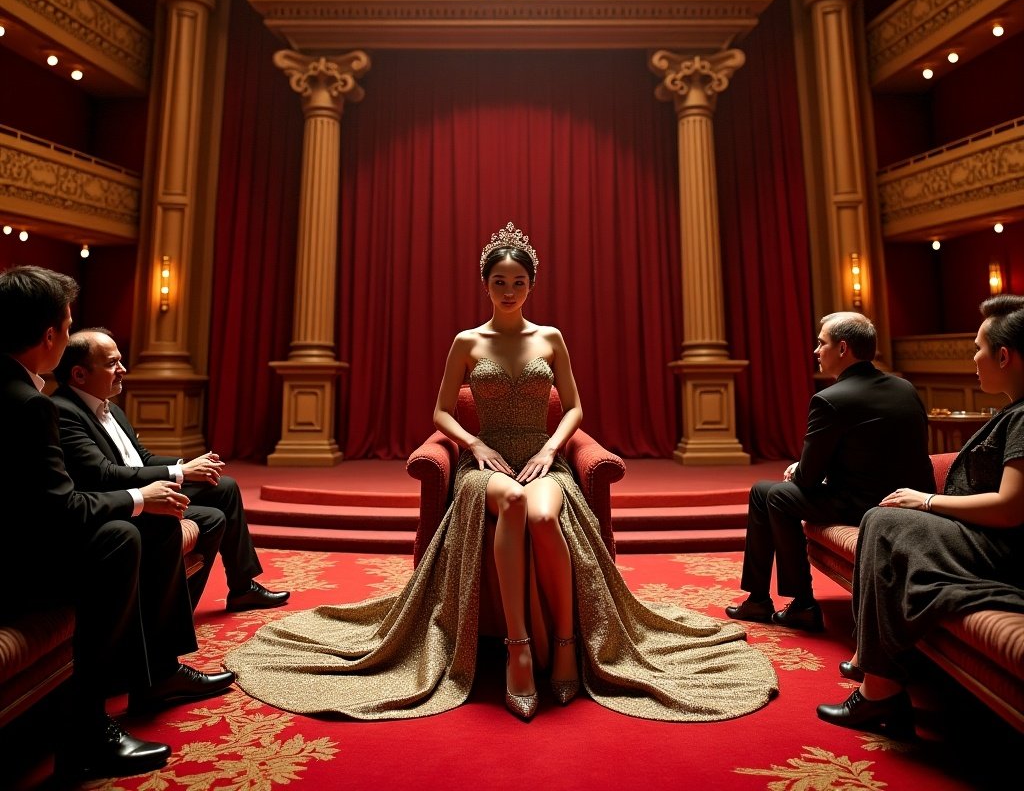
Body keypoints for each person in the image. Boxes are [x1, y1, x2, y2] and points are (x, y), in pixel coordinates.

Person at [226, 222, 778, 722]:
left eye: (517, 281)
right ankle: (518, 646)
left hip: (541, 459)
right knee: (512, 503)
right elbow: (441, 410)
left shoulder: (551, 337)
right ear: (485, 284)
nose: (508, 290)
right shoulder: (468, 342)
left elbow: (577, 408)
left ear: (530, 284)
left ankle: (564, 643)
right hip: (483, 466)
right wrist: (473, 442)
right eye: (499, 281)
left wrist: (550, 449)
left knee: (541, 514)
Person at [0, 266, 235, 781]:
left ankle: (156, 673)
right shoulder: (31, 406)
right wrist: (138, 497)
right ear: (51, 336)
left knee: (143, 523)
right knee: (119, 537)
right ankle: (88, 730)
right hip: (13, 571)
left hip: (17, 541)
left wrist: (144, 497)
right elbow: (60, 508)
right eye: (67, 325)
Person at [817, 294, 1024, 736]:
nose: (973, 358)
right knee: (881, 518)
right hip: (982, 534)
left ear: (1004, 356)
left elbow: (1011, 508)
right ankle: (878, 679)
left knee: (885, 520)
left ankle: (880, 690)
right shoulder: (1014, 410)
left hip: (1004, 545)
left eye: (978, 349)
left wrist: (927, 501)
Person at [51, 327, 289, 613]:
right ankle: (173, 615)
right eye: (112, 363)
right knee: (212, 519)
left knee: (223, 486)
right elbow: (105, 475)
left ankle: (241, 588)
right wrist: (182, 472)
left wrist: (185, 465)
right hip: (117, 502)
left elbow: (141, 458)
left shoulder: (112, 408)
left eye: (120, 360)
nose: (123, 369)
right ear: (79, 374)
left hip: (142, 488)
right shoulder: (63, 411)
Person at [725, 311, 934, 633]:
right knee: (763, 491)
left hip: (867, 506)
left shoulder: (831, 399)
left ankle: (801, 603)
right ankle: (762, 600)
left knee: (776, 495)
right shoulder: (904, 387)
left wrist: (799, 470)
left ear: (842, 348)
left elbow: (808, 479)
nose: (815, 351)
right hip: (904, 499)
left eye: (821, 343)